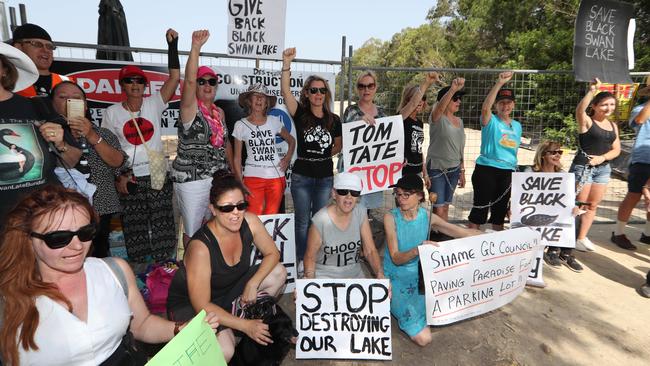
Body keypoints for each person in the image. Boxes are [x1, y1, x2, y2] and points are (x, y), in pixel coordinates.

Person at [0, 185, 219, 365]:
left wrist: (181, 328)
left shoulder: (114, 271)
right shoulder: (7, 298)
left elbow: (142, 325)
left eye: (85, 233)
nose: (77, 246)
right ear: (28, 238)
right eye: (59, 238)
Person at [166, 170, 287, 362]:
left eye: (241, 205)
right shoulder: (200, 248)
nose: (236, 213)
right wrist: (245, 325)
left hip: (228, 290)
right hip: (192, 305)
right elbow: (202, 305)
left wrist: (253, 283)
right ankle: (236, 326)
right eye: (227, 208)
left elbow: (273, 253)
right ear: (213, 209)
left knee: (278, 273)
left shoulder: (250, 221)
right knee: (225, 351)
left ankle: (236, 323)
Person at [102, 29, 180, 263]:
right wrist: (120, 176)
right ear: (121, 86)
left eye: (139, 80)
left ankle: (165, 271)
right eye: (129, 80)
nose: (135, 84)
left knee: (163, 224)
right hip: (129, 173)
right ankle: (140, 273)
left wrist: (173, 47)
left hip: (156, 166)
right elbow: (107, 149)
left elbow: (174, 78)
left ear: (145, 86)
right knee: (135, 228)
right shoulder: (112, 112)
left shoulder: (154, 103)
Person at [383, 174, 479, 346]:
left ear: (420, 196)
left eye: (406, 194)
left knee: (448, 309)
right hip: (396, 276)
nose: (400, 198)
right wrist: (417, 250)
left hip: (422, 275)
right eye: (398, 194)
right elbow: (396, 258)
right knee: (424, 338)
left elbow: (461, 232)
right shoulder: (390, 218)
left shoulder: (427, 217)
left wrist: (496, 237)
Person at [0, 42, 80, 225]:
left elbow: (72, 160)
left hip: (44, 218)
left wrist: (60, 144)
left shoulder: (35, 107)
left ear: (5, 69)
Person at [49, 80, 127, 257]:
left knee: (98, 254)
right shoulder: (44, 133)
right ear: (52, 103)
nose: (70, 102)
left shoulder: (104, 133)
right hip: (58, 212)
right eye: (63, 97)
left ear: (85, 106)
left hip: (100, 208)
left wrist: (92, 135)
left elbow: (119, 162)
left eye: (76, 98)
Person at [280, 47, 342, 267]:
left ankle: (315, 259)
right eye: (314, 90)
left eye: (322, 91)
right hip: (302, 177)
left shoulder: (334, 119)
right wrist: (287, 63)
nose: (318, 94)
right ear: (306, 93)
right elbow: (286, 92)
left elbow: (337, 146)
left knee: (320, 221)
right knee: (301, 221)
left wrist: (322, 154)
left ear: (326, 94)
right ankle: (299, 259)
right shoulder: (300, 113)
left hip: (325, 176)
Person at [170, 30, 233, 243]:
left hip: (217, 179)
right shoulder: (190, 109)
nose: (207, 85)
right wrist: (195, 47)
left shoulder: (220, 113)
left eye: (211, 82)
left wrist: (232, 171)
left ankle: (209, 268)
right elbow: (187, 81)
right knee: (193, 232)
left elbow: (225, 145)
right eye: (202, 81)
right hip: (192, 180)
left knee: (213, 228)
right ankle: (191, 272)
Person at [570, 79, 620, 252]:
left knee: (592, 205)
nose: (608, 108)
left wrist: (602, 158)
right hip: (583, 168)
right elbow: (579, 110)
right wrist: (592, 90)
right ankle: (566, 239)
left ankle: (581, 238)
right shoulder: (587, 122)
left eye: (612, 104)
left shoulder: (613, 125)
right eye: (604, 104)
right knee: (579, 204)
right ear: (595, 106)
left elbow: (616, 150)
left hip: (603, 169)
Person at [303, 172, 384, 279]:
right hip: (324, 274)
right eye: (343, 191)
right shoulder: (320, 219)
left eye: (354, 193)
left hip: (353, 273)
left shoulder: (360, 212)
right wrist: (309, 282)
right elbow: (310, 257)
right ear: (334, 194)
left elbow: (370, 250)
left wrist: (379, 273)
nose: (349, 197)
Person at [468, 71, 521, 231]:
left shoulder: (517, 126)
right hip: (487, 169)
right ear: (496, 105)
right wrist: (499, 83)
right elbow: (485, 109)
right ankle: (470, 244)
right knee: (480, 209)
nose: (505, 106)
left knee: (500, 212)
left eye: (508, 102)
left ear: (513, 105)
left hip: (508, 172)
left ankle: (498, 250)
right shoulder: (491, 121)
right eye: (501, 102)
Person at [233, 82, 295, 215]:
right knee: (253, 218)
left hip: (276, 178)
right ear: (249, 101)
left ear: (267, 103)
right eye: (255, 96)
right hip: (252, 178)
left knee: (271, 218)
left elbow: (292, 140)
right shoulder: (240, 125)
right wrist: (240, 182)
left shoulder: (274, 121)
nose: (259, 99)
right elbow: (237, 158)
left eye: (263, 97)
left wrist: (287, 158)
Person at [528, 140, 583, 272]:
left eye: (560, 152)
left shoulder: (564, 176)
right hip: (536, 212)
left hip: (555, 212)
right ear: (542, 155)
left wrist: (574, 208)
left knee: (575, 216)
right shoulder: (531, 173)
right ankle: (551, 252)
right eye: (553, 152)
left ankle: (565, 253)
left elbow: (568, 200)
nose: (558, 155)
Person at [611, 84, 650, 250]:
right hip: (643, 159)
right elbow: (639, 121)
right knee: (633, 196)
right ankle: (618, 233)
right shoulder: (640, 109)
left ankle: (647, 234)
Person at [340, 71, 387, 209]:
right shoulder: (351, 111)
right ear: (357, 89)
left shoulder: (382, 113)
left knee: (366, 211)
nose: (366, 90)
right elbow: (345, 135)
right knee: (350, 207)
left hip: (373, 171)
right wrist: (359, 123)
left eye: (370, 86)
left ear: (375, 87)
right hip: (353, 169)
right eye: (361, 86)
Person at [426, 77, 467, 221]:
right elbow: (439, 108)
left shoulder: (460, 122)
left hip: (454, 170)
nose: (459, 102)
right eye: (455, 98)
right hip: (437, 168)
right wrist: (452, 89)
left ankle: (442, 237)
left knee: (445, 207)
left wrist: (462, 170)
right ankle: (437, 237)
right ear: (445, 100)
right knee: (438, 208)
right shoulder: (436, 118)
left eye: (459, 99)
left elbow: (460, 148)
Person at [10, 23, 71, 97]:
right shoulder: (6, 82)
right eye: (37, 44)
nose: (46, 50)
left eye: (49, 46)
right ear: (18, 47)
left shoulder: (66, 82)